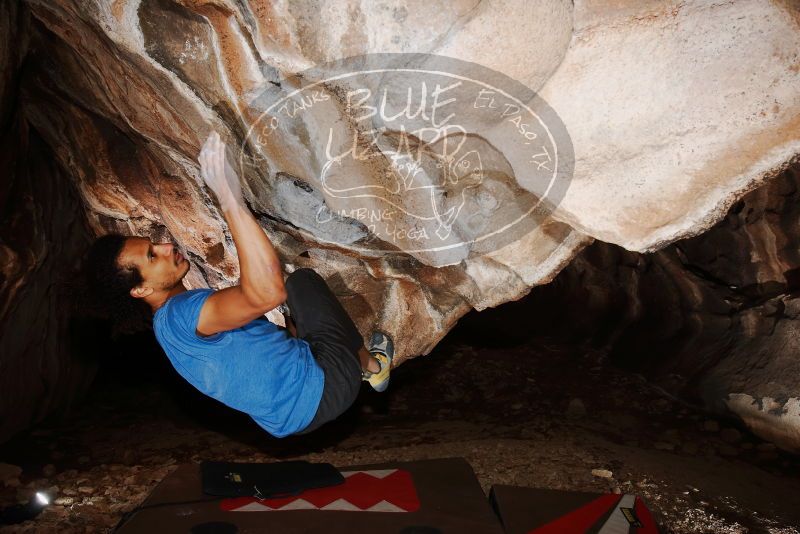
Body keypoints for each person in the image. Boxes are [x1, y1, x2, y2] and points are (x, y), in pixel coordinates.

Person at [84, 131, 393, 438]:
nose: (165, 248)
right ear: (140, 290)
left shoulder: (167, 329)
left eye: (155, 244)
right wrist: (230, 197)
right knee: (303, 283)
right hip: (328, 387)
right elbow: (268, 292)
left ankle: (342, 360)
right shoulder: (182, 314)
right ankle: (375, 368)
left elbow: (255, 350)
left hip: (291, 422)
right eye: (153, 256)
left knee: (287, 320)